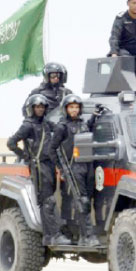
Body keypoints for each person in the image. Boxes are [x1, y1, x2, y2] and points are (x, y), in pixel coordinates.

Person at [8, 94, 71, 246]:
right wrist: (27, 157)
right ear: (32, 108)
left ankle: (51, 235)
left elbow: (61, 129)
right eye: (37, 107)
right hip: (39, 166)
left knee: (50, 200)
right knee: (47, 201)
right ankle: (53, 235)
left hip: (49, 165)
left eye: (42, 107)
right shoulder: (28, 125)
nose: (40, 109)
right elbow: (11, 142)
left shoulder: (46, 124)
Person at [49, 95, 101, 247]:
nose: (74, 110)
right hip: (73, 167)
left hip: (87, 165)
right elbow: (52, 149)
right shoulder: (61, 127)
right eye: (71, 107)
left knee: (88, 199)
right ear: (65, 109)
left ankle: (79, 234)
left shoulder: (82, 123)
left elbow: (87, 130)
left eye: (76, 107)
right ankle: (87, 237)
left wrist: (94, 116)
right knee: (82, 201)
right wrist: (61, 168)